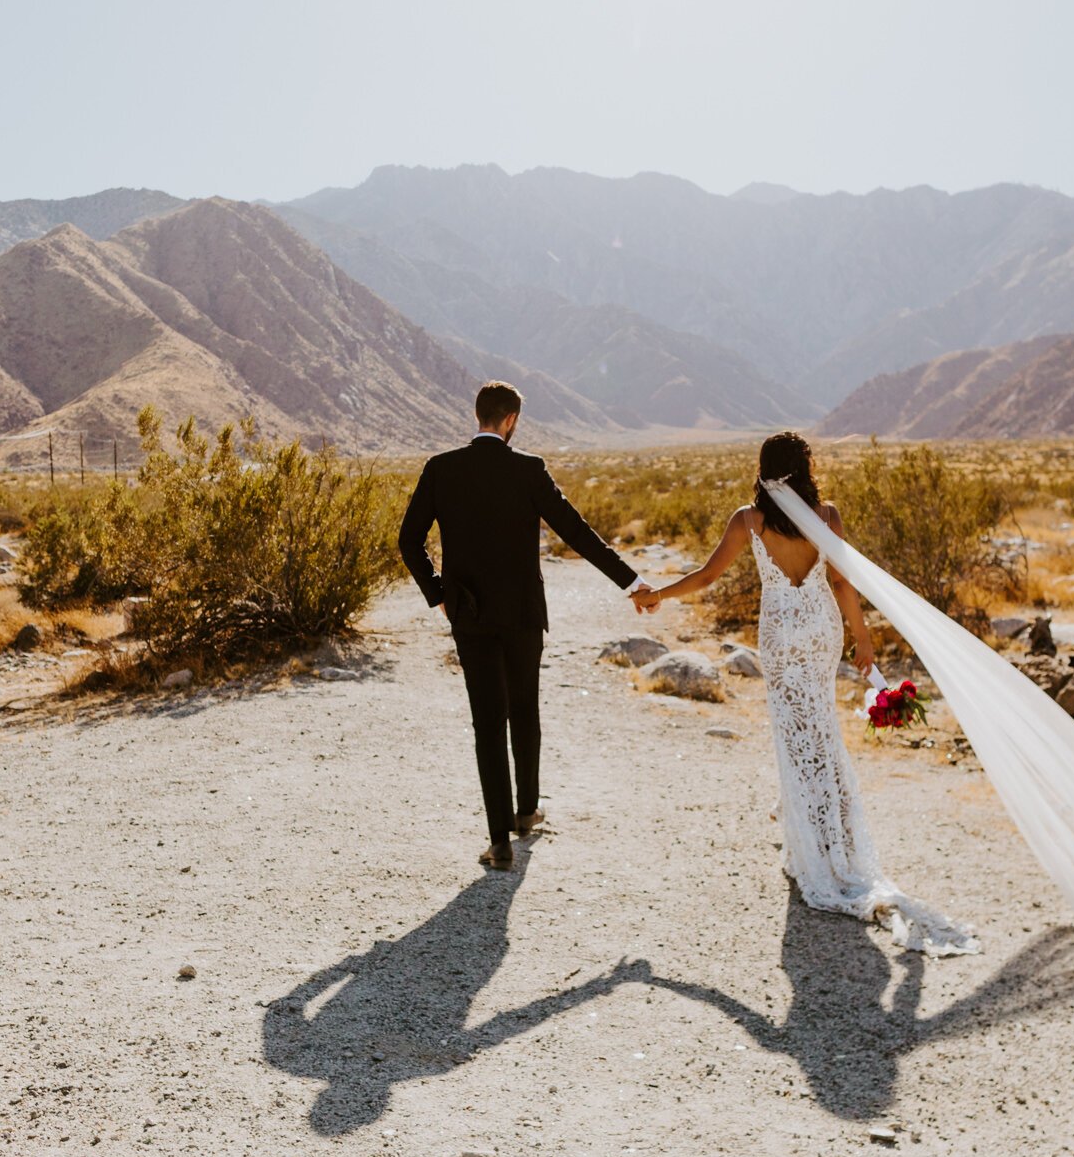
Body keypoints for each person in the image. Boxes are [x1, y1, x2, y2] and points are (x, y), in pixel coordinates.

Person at [635, 432, 978, 954]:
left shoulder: (748, 521)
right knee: (823, 731)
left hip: (781, 634)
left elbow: (706, 577)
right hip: (819, 631)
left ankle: (814, 854)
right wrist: (863, 642)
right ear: (805, 469)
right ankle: (830, 838)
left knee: (795, 740)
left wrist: (658, 594)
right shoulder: (828, 516)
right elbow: (842, 584)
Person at [398, 381, 657, 870]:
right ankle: (527, 810)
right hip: (522, 615)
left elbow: (408, 541)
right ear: (512, 420)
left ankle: (500, 841)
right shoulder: (528, 470)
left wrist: (440, 596)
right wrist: (632, 583)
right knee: (525, 708)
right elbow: (578, 532)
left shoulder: (441, 469)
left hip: (469, 615)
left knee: (488, 724)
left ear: (478, 417)